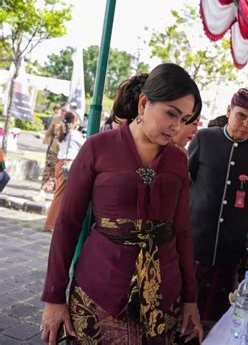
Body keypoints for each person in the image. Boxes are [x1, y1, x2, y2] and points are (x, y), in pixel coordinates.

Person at [40, 64, 203, 344]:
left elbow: (183, 232)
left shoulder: (177, 160)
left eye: (185, 118)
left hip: (163, 297)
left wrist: (191, 298)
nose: (177, 126)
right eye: (171, 114)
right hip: (98, 290)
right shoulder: (97, 148)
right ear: (143, 103)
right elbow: (68, 223)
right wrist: (54, 296)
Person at [188, 88, 248, 323]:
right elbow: (183, 183)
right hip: (195, 237)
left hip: (232, 243)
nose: (247, 124)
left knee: (218, 309)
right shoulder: (204, 138)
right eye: (241, 116)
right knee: (185, 302)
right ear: (228, 112)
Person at [43, 111, 85, 231]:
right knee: (60, 195)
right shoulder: (74, 134)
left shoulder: (64, 132)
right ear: (74, 121)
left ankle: (53, 222)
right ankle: (50, 223)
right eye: (77, 120)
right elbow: (85, 145)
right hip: (67, 164)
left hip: (61, 163)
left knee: (61, 195)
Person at [34, 104, 69, 201]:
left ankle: (56, 196)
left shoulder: (72, 122)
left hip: (65, 154)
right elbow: (49, 132)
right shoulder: (56, 119)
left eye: (65, 111)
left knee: (60, 174)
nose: (63, 112)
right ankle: (42, 192)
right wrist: (49, 144)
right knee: (48, 170)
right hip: (54, 149)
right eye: (62, 110)